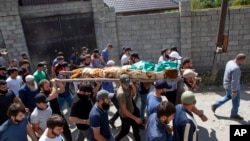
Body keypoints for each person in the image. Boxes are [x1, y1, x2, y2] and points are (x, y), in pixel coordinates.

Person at [211, 53, 246, 120]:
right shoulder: (236, 68)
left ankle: (215, 104)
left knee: (228, 96)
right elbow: (234, 81)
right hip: (232, 87)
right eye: (243, 60)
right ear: (240, 60)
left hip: (226, 84)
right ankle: (234, 114)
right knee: (236, 101)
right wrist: (234, 91)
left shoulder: (229, 62)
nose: (244, 62)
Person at [115, 74, 142, 141]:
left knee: (136, 130)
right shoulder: (121, 94)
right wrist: (135, 118)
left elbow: (134, 93)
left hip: (132, 112)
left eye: (128, 83)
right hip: (126, 116)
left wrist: (131, 84)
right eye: (125, 84)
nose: (127, 85)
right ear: (120, 82)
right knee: (125, 131)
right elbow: (124, 110)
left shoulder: (128, 86)